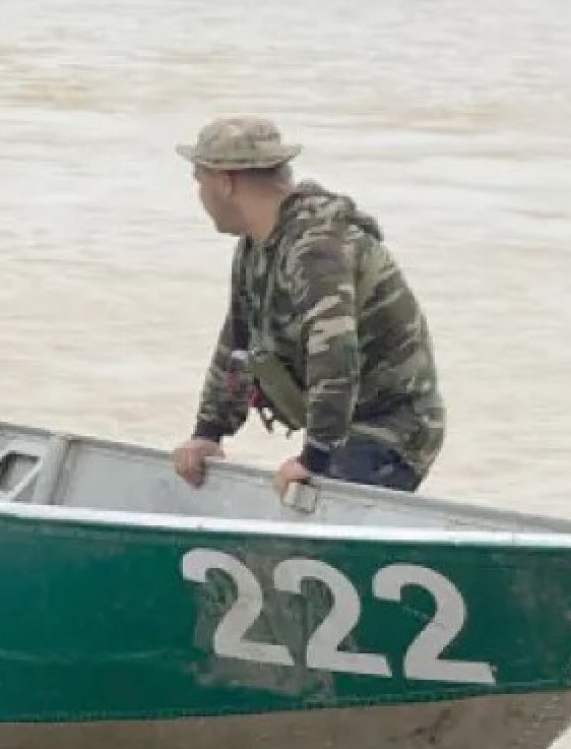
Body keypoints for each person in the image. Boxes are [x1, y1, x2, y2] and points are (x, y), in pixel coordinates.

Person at [169, 116, 445, 498]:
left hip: (392, 428)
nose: (199, 196)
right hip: (346, 428)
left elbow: (335, 355)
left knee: (309, 499)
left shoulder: (316, 247)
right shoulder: (256, 245)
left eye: (200, 181)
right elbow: (237, 344)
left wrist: (313, 458)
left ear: (224, 181)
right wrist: (208, 433)